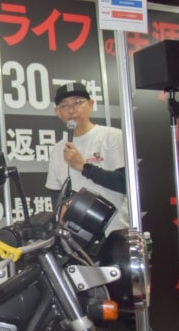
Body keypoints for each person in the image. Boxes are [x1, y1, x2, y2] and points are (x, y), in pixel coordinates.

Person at [45, 82, 129, 235]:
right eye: (64, 106)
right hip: (74, 238)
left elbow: (125, 183)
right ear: (58, 112)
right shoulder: (58, 149)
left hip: (114, 232)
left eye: (77, 102)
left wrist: (85, 167)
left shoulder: (112, 136)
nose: (71, 110)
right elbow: (55, 192)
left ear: (90, 104)